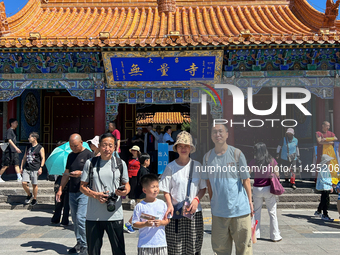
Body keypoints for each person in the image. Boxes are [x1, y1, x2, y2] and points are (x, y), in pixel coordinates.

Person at [201, 124, 253, 255]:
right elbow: (209, 184)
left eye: (220, 131)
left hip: (240, 210)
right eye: (214, 132)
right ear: (211, 136)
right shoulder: (207, 158)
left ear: (227, 134)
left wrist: (250, 203)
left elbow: (246, 180)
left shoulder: (237, 154)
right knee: (220, 250)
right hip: (219, 212)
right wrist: (213, 203)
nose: (217, 134)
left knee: (244, 249)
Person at [80, 133, 130, 255]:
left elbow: (127, 185)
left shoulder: (120, 163)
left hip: (115, 214)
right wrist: (95, 195)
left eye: (110, 145)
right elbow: (82, 186)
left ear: (114, 147)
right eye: (104, 145)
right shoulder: (90, 163)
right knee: (93, 251)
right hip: (93, 215)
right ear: (99, 146)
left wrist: (124, 191)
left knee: (119, 250)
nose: (107, 149)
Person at [159, 131, 206, 255]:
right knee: (175, 247)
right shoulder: (170, 167)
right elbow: (165, 189)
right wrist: (169, 204)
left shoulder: (198, 166)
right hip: (176, 212)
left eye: (186, 146)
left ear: (191, 148)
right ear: (176, 148)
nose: (183, 148)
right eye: (180, 146)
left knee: (194, 247)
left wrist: (196, 200)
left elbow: (203, 188)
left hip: (194, 213)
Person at [56, 134, 94, 255]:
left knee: (81, 218)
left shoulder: (89, 155)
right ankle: (79, 242)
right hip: (72, 191)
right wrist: (60, 189)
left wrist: (81, 173)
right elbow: (66, 173)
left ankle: (85, 245)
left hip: (84, 191)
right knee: (75, 220)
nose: (73, 148)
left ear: (82, 142)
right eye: (71, 146)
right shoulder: (70, 156)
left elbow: (95, 173)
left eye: (75, 145)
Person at [248, 142, 282, 242]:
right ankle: (275, 236)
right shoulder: (271, 161)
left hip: (257, 188)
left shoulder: (253, 161)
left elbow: (247, 173)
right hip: (268, 189)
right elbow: (277, 174)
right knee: (272, 213)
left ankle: (255, 234)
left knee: (256, 212)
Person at [132, 174, 170, 255]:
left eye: (157, 186)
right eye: (153, 187)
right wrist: (145, 224)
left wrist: (161, 223)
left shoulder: (162, 204)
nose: (156, 189)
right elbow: (134, 223)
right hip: (144, 244)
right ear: (144, 190)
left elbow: (167, 220)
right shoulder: (140, 206)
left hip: (160, 243)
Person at [20, 132, 45, 207]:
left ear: (34, 138)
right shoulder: (28, 146)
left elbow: (43, 158)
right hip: (27, 167)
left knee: (34, 184)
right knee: (24, 183)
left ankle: (34, 198)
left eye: (30, 137)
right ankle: (29, 194)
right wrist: (21, 166)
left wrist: (41, 167)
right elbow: (24, 157)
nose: (28, 139)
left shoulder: (40, 148)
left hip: (35, 168)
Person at [51, 141, 70, 226]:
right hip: (68, 180)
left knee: (58, 202)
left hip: (59, 180)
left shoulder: (57, 157)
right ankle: (64, 220)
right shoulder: (70, 156)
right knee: (66, 202)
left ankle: (56, 218)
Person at [316, 121, 339, 185]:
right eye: (327, 126)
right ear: (323, 125)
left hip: (330, 152)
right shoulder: (319, 133)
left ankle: (332, 180)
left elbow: (335, 138)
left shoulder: (330, 133)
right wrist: (329, 142)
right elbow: (320, 141)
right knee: (321, 166)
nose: (328, 127)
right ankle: (320, 182)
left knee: (332, 165)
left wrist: (326, 139)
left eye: (329, 126)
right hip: (321, 152)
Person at [0, 118, 22, 182]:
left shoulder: (14, 131)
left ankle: (19, 177)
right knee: (6, 165)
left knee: (16, 163)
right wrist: (16, 148)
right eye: (15, 123)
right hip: (9, 150)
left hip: (14, 151)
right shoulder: (9, 131)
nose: (17, 124)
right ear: (12, 123)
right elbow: (9, 140)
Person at [314, 154, 334, 221]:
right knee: (326, 201)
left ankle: (319, 211)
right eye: (328, 161)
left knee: (323, 200)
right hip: (325, 186)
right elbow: (324, 179)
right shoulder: (324, 168)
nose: (329, 162)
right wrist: (331, 184)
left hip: (326, 186)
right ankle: (325, 214)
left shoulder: (325, 167)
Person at [127, 145, 141, 211]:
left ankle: (136, 201)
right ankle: (131, 200)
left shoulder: (140, 159)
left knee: (135, 187)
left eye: (135, 150)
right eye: (132, 150)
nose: (133, 151)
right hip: (129, 174)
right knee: (130, 188)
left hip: (136, 175)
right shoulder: (129, 158)